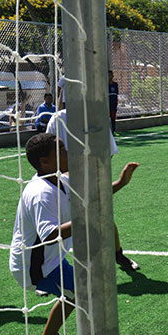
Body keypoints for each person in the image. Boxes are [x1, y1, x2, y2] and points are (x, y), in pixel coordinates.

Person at [9, 133, 138, 335]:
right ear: (45, 162)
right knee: (90, 294)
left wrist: (120, 183)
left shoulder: (60, 178)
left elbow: (93, 199)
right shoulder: (41, 193)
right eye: (60, 149)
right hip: (35, 267)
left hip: (51, 259)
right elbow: (49, 234)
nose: (67, 151)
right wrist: (87, 220)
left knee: (79, 293)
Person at [46, 85, 138, 273]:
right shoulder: (57, 120)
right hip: (62, 181)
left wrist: (93, 173)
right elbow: (48, 150)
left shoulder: (97, 119)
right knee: (53, 226)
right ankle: (45, 271)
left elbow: (108, 151)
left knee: (103, 216)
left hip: (90, 177)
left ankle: (118, 254)